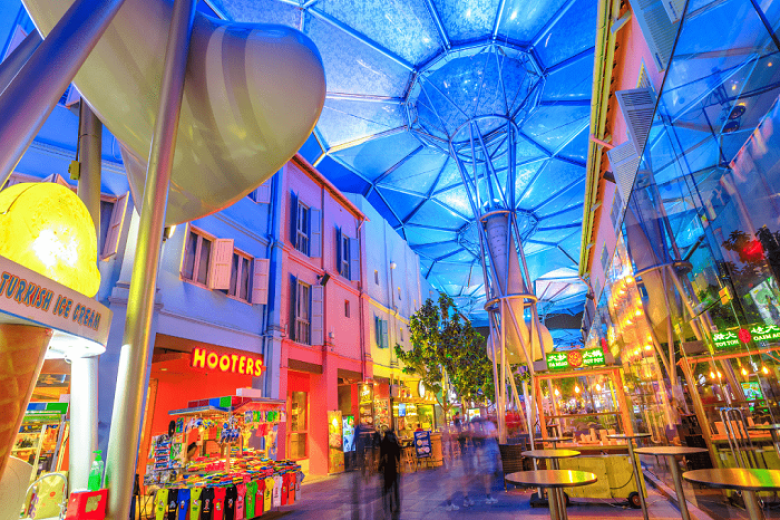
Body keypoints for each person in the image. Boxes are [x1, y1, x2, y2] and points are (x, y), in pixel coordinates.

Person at [379, 428, 401, 520]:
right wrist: (399, 463)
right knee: (395, 486)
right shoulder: (394, 441)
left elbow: (381, 454)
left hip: (387, 468)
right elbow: (398, 453)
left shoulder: (384, 441)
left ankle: (388, 505)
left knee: (387, 487)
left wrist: (379, 467)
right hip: (393, 467)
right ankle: (395, 503)